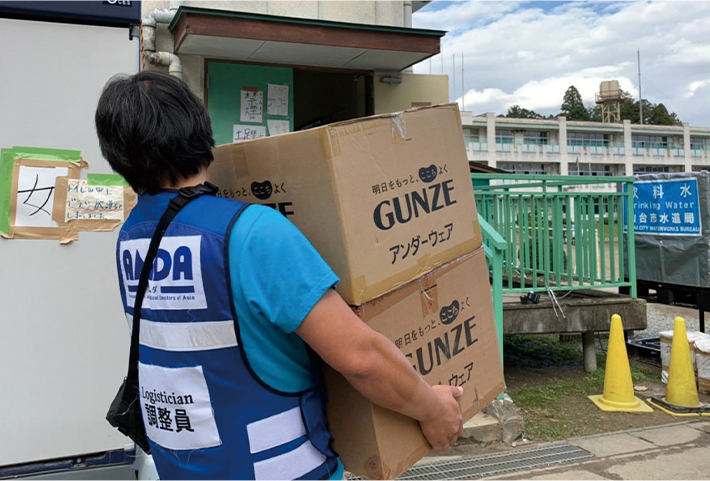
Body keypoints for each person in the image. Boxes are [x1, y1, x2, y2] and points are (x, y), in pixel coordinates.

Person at [95, 71, 463, 480]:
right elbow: (361, 358)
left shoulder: (131, 236)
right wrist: (434, 409)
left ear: (118, 157)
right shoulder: (251, 232)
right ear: (201, 134)